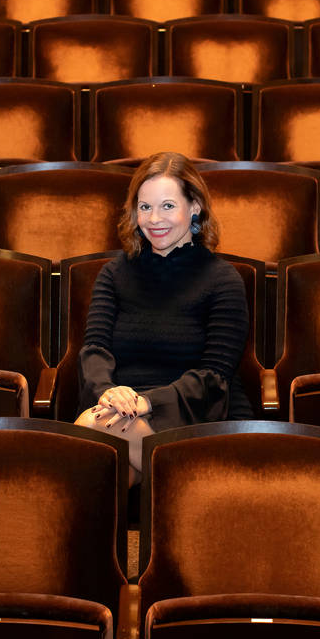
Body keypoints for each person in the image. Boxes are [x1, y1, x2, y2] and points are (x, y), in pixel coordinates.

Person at [74, 152, 252, 475]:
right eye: (145, 207)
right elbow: (94, 350)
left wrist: (148, 402)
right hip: (120, 408)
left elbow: (214, 376)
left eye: (168, 206)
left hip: (190, 410)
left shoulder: (223, 279)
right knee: (102, 457)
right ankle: (190, 493)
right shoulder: (114, 274)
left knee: (91, 442)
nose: (154, 219)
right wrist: (107, 392)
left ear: (194, 206)